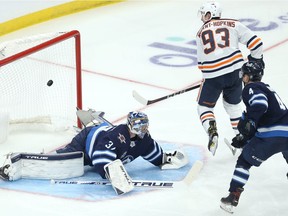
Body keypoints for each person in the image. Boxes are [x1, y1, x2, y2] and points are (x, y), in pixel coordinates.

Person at [0, 110, 189, 195]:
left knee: (78, 163)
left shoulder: (144, 140)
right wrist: (110, 171)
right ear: (131, 125)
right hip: (87, 142)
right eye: (140, 125)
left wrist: (164, 159)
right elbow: (100, 158)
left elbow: (153, 153)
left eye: (145, 125)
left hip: (98, 139)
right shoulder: (117, 136)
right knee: (67, 161)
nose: (143, 129)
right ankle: (15, 162)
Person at [196, 1, 264, 155]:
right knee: (233, 106)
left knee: (205, 107)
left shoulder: (199, 33)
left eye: (204, 14)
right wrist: (255, 60)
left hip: (212, 76)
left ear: (210, 14)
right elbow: (257, 43)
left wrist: (212, 79)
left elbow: (202, 64)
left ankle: (211, 130)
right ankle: (242, 137)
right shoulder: (233, 24)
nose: (202, 18)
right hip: (236, 72)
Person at [220, 61, 288, 213]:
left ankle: (233, 196)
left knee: (244, 161)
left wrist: (247, 127)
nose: (242, 77)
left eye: (243, 74)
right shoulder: (267, 88)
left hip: (270, 135)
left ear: (247, 76)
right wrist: (245, 135)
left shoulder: (251, 88)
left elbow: (259, 105)